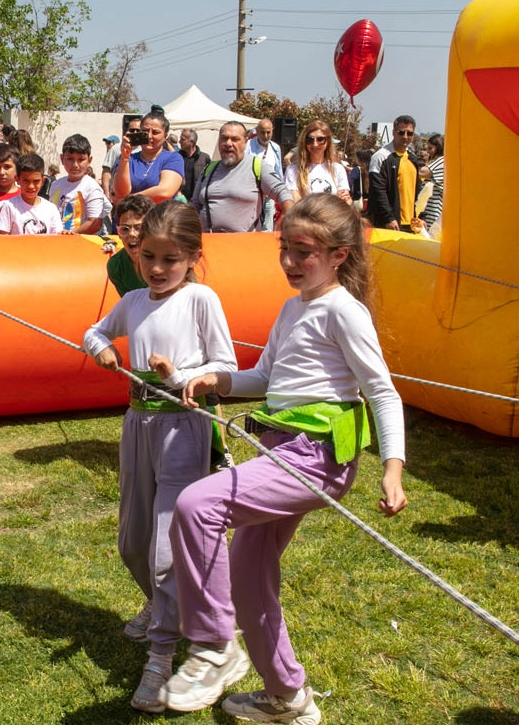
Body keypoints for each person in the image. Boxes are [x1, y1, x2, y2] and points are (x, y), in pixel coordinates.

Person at [161, 193, 408, 720]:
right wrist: (215, 378)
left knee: (196, 506)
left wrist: (393, 468)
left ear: (339, 255)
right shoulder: (292, 308)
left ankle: (213, 644)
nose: (290, 263)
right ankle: (287, 697)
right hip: (278, 452)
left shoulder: (344, 310)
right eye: (284, 249)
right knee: (250, 576)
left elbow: (382, 393)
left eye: (304, 251)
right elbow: (268, 379)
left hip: (315, 458)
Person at [84, 200, 236, 713]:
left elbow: (226, 366)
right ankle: (162, 606)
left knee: (168, 548)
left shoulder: (201, 299)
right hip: (137, 424)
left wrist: (182, 375)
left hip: (185, 429)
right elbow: (95, 330)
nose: (156, 268)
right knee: (133, 539)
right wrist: (100, 347)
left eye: (170, 259)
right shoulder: (132, 299)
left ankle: (162, 655)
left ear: (193, 256)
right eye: (148, 255)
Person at [192, 122, 293, 234]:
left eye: (234, 139)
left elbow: (283, 192)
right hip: (209, 243)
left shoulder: (258, 167)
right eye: (224, 138)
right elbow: (194, 206)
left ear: (245, 142)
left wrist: (285, 222)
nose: (228, 143)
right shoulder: (209, 169)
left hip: (244, 246)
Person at [112, 109, 184, 203]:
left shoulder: (173, 159)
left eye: (155, 132)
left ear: (165, 135)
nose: (149, 136)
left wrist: (129, 200)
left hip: (157, 216)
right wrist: (125, 157)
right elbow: (121, 192)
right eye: (145, 131)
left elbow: (165, 192)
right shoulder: (128, 160)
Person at [366, 115, 423, 230]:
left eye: (410, 133)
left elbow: (418, 191)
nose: (405, 137)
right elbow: (378, 190)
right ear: (393, 132)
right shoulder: (381, 157)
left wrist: (421, 216)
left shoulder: (413, 159)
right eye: (401, 132)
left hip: (411, 224)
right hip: (390, 224)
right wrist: (389, 218)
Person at [49, 134, 111, 235]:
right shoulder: (55, 185)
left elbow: (94, 223)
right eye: (70, 159)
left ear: (89, 160)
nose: (75, 165)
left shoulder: (92, 188)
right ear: (62, 158)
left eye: (81, 160)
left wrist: (71, 234)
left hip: (80, 244)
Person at [285, 121, 351, 211]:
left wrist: (346, 200)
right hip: (306, 222)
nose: (315, 144)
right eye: (310, 139)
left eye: (320, 139)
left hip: (333, 222)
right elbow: (295, 203)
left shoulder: (338, 169)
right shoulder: (293, 170)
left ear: (327, 141)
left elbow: (345, 201)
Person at [0, 153, 63, 235]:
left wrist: (65, 235)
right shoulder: (9, 206)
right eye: (26, 181)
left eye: (36, 181)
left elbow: (58, 237)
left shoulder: (51, 208)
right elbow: (2, 239)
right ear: (17, 179)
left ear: (42, 181)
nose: (31, 186)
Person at [106, 195, 150, 297]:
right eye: (125, 229)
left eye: (139, 228)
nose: (132, 234)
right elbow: (130, 306)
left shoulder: (165, 262)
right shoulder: (116, 266)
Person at [178, 130, 210, 202]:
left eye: (182, 139)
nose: (179, 142)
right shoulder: (177, 157)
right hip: (179, 199)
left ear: (192, 142)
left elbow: (208, 179)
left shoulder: (204, 158)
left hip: (196, 200)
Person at [422, 134, 444, 229]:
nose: (428, 151)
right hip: (428, 207)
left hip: (434, 208)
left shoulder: (441, 161)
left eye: (430, 148)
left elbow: (423, 172)